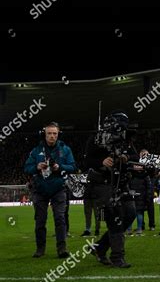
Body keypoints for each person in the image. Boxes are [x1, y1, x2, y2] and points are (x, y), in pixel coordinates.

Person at [84, 111, 137, 268]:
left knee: (131, 213)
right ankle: (117, 257)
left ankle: (99, 248)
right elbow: (86, 162)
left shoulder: (125, 139)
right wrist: (102, 161)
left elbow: (136, 157)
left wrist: (126, 158)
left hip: (121, 182)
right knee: (115, 217)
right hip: (102, 183)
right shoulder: (95, 138)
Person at [24, 122, 76, 258]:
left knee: (60, 218)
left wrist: (60, 167)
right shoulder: (36, 150)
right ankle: (40, 249)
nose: (52, 136)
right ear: (44, 134)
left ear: (58, 135)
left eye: (55, 133)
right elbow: (26, 168)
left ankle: (62, 249)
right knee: (40, 220)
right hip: (40, 189)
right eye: (49, 133)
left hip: (59, 188)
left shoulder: (65, 149)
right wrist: (36, 167)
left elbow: (72, 167)